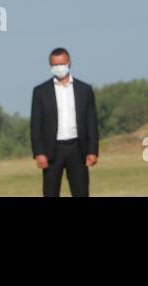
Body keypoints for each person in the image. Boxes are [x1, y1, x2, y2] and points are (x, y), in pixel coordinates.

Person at [29, 48, 99, 196]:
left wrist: (92, 151)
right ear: (50, 66)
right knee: (50, 193)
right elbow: (36, 125)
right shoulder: (40, 92)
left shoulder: (84, 90)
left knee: (81, 192)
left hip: (77, 149)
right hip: (52, 151)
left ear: (69, 63)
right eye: (55, 65)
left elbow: (91, 122)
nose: (59, 67)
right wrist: (39, 152)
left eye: (62, 63)